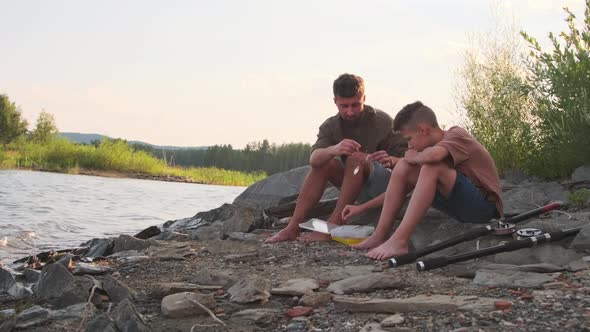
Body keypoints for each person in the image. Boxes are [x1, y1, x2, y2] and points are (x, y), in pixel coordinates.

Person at [349, 101, 503, 259]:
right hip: (458, 205)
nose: (409, 145)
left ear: (423, 130)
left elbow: (433, 156)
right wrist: (363, 208)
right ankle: (379, 236)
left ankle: (399, 241)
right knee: (403, 166)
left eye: (409, 139)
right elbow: (402, 190)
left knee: (431, 167)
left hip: (483, 207)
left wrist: (412, 157)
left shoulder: (456, 134)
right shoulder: (431, 147)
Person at [265, 73, 407, 243]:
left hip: (387, 186)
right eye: (344, 106)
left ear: (364, 98)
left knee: (356, 158)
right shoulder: (330, 126)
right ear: (335, 102)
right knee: (324, 163)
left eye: (355, 105)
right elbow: (314, 160)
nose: (350, 111)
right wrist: (335, 149)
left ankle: (332, 225)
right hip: (356, 185)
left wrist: (389, 159)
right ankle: (293, 227)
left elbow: (410, 163)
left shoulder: (383, 121)